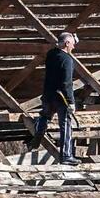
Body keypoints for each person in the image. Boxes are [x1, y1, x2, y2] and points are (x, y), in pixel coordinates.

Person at [33, 32, 81, 166]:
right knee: (66, 125)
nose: (73, 47)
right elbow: (67, 82)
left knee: (45, 115)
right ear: (67, 43)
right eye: (72, 44)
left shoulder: (51, 55)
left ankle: (39, 128)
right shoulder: (67, 59)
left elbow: (56, 49)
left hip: (48, 94)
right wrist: (71, 102)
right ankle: (66, 155)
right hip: (61, 97)